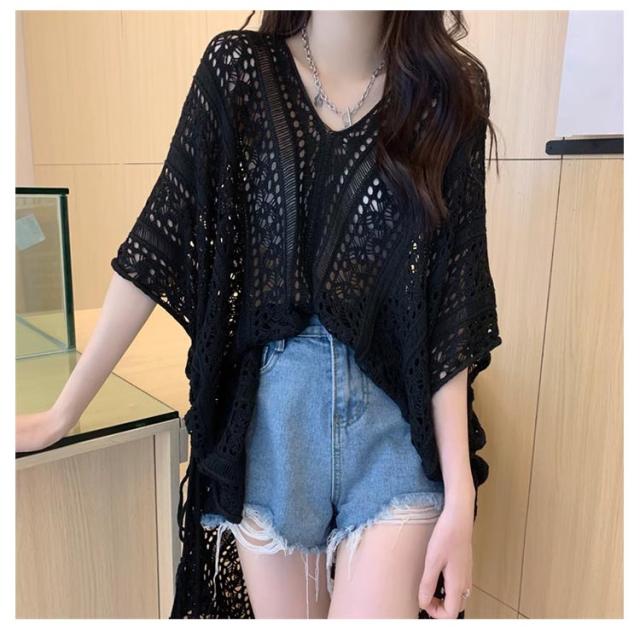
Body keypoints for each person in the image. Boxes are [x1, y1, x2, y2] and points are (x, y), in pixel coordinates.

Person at [16, 10, 502, 619]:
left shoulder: (448, 92)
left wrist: (460, 494)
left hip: (394, 435)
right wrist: (62, 413)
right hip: (274, 433)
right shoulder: (240, 72)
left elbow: (451, 312)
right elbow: (157, 243)